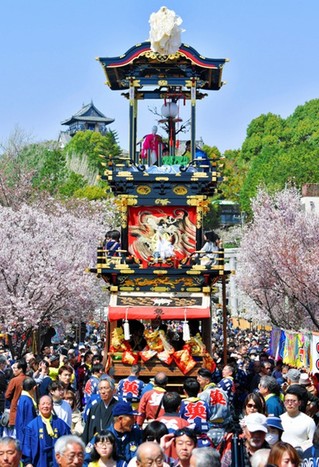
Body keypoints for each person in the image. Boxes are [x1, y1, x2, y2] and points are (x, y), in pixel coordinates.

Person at [23, 395, 70, 467]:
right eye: (43, 404)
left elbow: (68, 441)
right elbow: (27, 445)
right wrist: (28, 463)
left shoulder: (60, 424)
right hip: (39, 461)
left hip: (57, 461)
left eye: (48, 404)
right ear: (39, 406)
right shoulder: (31, 426)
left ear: (52, 406)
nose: (45, 406)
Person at [82, 376, 118, 445]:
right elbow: (87, 430)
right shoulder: (94, 407)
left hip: (112, 444)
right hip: (96, 445)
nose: (103, 392)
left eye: (106, 388)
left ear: (113, 390)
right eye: (100, 389)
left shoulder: (118, 407)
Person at [5, 359, 27, 431]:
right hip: (27, 410)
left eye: (15, 368)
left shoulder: (14, 380)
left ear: (20, 369)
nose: (13, 370)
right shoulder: (29, 379)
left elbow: (7, 395)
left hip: (15, 410)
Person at [15, 377, 37, 447]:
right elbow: (29, 420)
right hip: (26, 437)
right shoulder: (27, 401)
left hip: (21, 433)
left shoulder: (22, 398)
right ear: (34, 388)